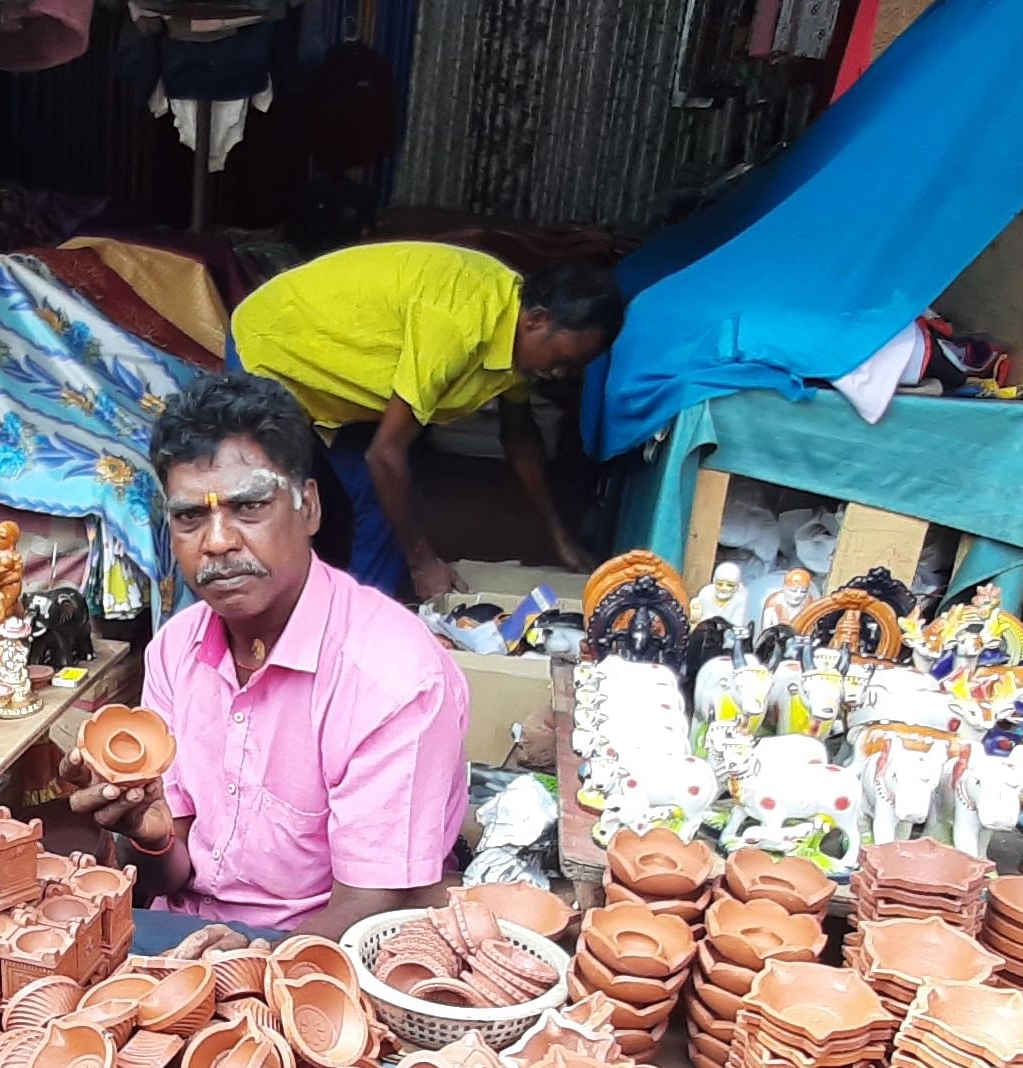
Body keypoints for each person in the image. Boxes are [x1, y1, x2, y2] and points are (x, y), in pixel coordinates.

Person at [67, 372, 470, 950]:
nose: (218, 542)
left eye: (249, 506)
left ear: (307, 507)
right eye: (190, 518)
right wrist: (144, 834)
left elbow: (376, 904)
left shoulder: (394, 676)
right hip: (182, 933)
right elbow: (165, 873)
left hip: (321, 951)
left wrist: (256, 957)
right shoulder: (175, 648)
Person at [227, 243, 624, 598]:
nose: (560, 375)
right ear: (537, 320)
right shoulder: (460, 323)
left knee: (387, 496)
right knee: (277, 511)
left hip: (351, 379)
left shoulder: (516, 330)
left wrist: (557, 536)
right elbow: (384, 454)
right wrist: (423, 563)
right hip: (277, 349)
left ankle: (363, 631)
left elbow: (520, 438)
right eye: (562, 361)